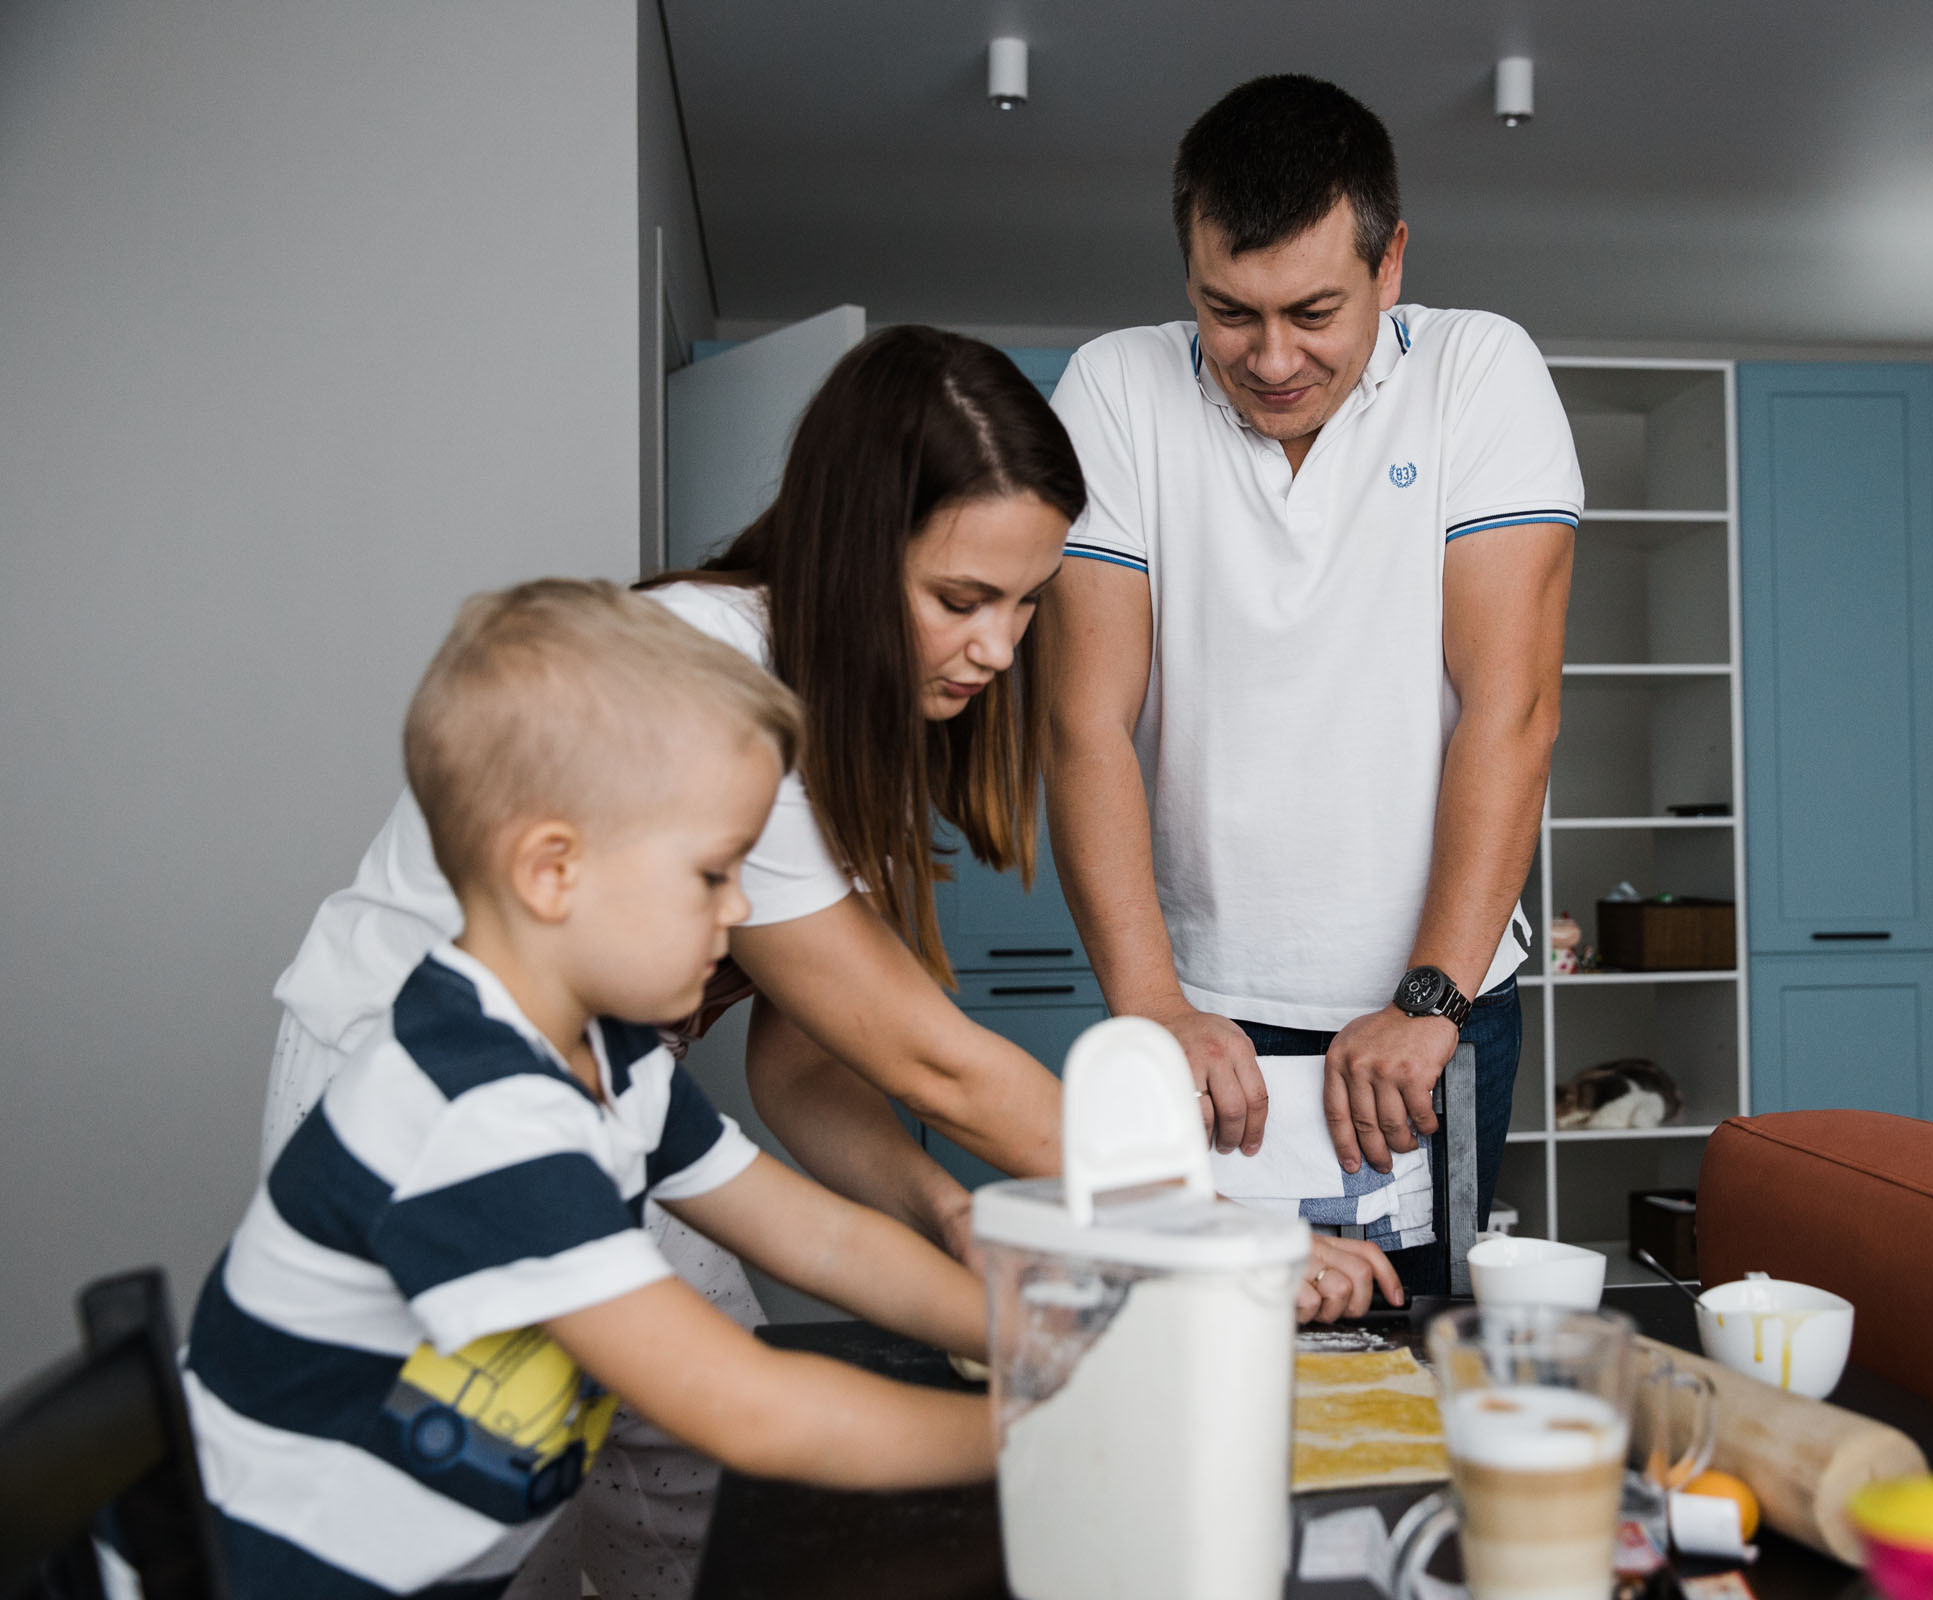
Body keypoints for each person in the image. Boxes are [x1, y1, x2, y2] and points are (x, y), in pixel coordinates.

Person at [263, 327, 1396, 1597]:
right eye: (964, 600)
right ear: (858, 558)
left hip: (578, 1088)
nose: (1003, 649)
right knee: (505, 1491)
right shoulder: (700, 686)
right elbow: (926, 1058)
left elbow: (809, 1078)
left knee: (671, 1484)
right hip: (414, 1088)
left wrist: (964, 1233)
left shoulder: (634, 1066)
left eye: (1028, 603)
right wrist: (1212, 1249)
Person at [184, 580, 994, 1599]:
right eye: (714, 872)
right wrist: (1037, 1432)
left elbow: (820, 1239)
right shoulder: (476, 1114)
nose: (744, 908)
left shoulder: (609, 1061)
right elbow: (749, 1410)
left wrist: (1026, 1338)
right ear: (553, 871)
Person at [1045, 76, 1582, 1296]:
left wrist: (1430, 996)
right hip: (1200, 1013)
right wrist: (1151, 1009)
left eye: (1313, 311)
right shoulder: (1116, 391)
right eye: (1228, 311)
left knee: (1398, 1349)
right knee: (1200, 1339)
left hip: (1427, 1007)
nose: (1271, 358)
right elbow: (1083, 724)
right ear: (1185, 269)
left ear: (1390, 263)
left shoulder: (1478, 372)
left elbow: (1513, 710)